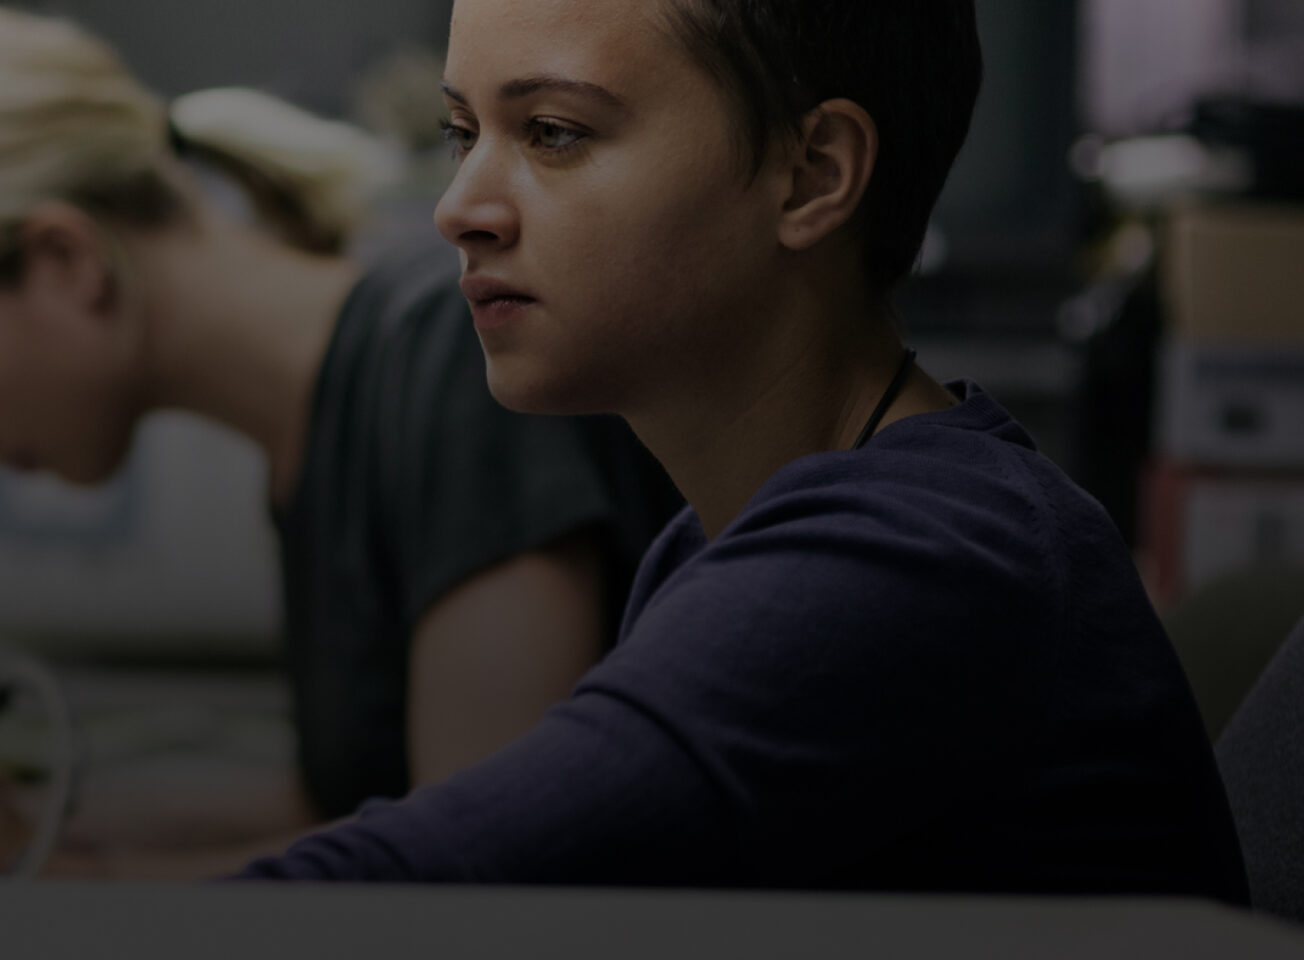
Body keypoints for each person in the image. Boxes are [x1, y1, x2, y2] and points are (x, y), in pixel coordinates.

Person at [230, 0, 1248, 900]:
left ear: (811, 176)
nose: (459, 210)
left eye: (551, 132)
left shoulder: (913, 563)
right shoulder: (724, 540)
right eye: (462, 132)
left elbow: (433, 886)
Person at [0, 3, 681, 881]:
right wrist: (4, 819)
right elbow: (342, 805)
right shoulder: (324, 432)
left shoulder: (448, 359)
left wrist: (32, 876)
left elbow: (467, 865)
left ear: (65, 261)